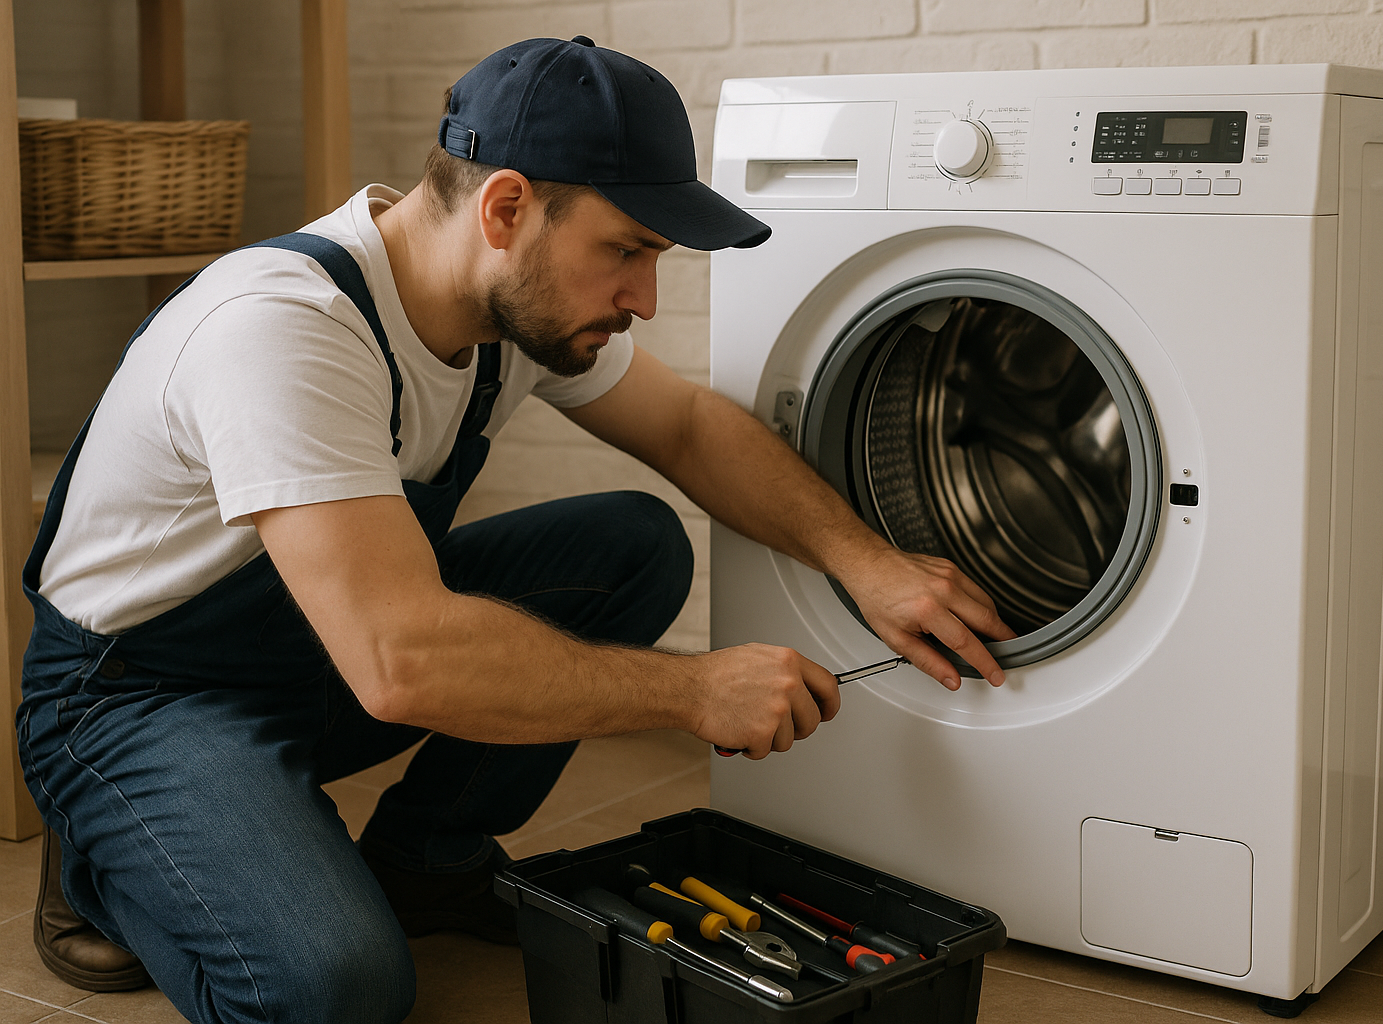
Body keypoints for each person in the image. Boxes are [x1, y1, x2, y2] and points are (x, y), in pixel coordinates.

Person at [17, 35, 1013, 1024]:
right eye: (625, 251)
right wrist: (693, 689)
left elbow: (688, 427)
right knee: (334, 990)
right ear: (505, 208)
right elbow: (402, 661)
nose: (644, 300)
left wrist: (870, 567)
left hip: (311, 654)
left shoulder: (502, 314)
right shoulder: (283, 329)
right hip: (135, 698)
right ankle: (110, 847)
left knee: (634, 544)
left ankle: (427, 864)